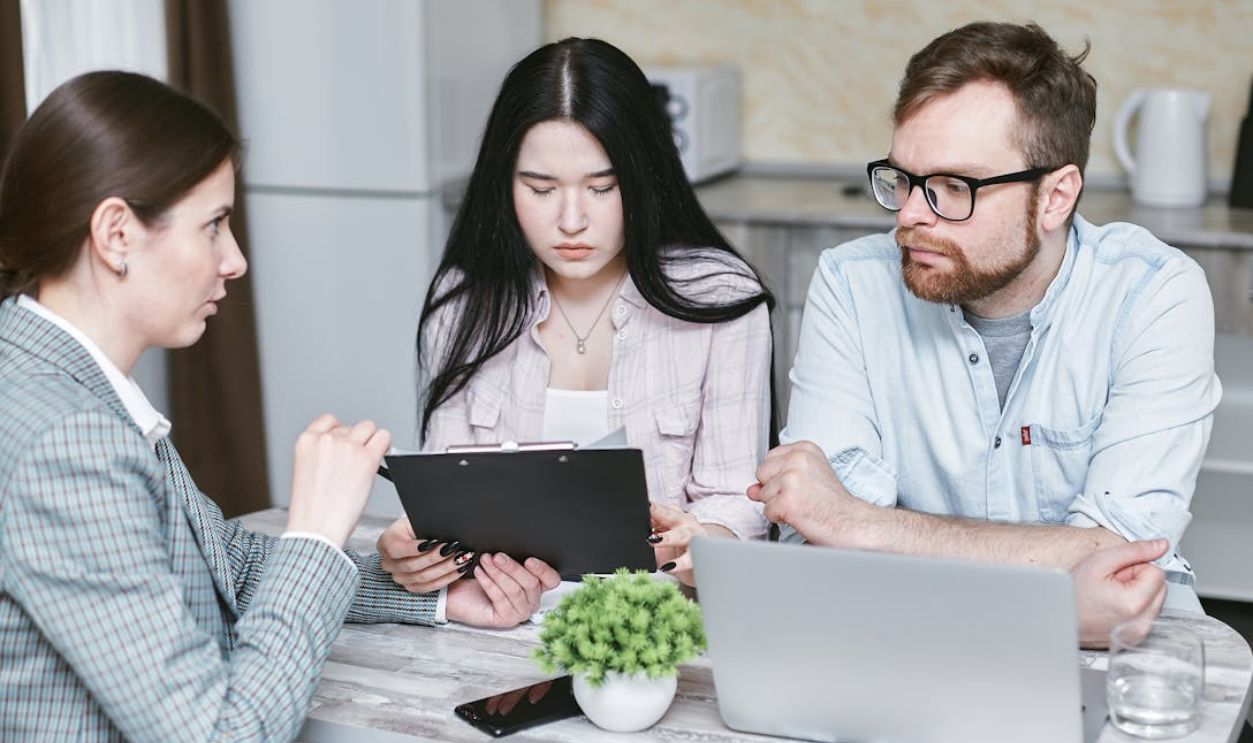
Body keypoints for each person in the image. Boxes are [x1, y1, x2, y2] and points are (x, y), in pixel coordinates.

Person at [0, 71, 557, 741]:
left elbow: (216, 561)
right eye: (213, 226)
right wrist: (317, 530)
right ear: (116, 233)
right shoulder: (69, 439)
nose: (233, 260)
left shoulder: (45, 375)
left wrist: (439, 598)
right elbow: (222, 733)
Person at [748, 22, 1221, 645]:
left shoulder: (1154, 293)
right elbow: (818, 536)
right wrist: (1051, 580)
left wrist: (865, 525)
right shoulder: (851, 285)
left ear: (1055, 197)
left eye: (954, 187)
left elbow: (1121, 554)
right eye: (904, 179)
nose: (912, 215)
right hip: (896, 631)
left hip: (1115, 643)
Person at [377, 37, 775, 601]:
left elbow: (740, 498)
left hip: (660, 626)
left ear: (644, 178)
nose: (571, 221)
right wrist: (418, 553)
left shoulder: (720, 298)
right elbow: (449, 503)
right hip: (499, 625)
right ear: (503, 184)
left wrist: (702, 538)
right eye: (540, 189)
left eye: (602, 187)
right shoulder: (464, 301)